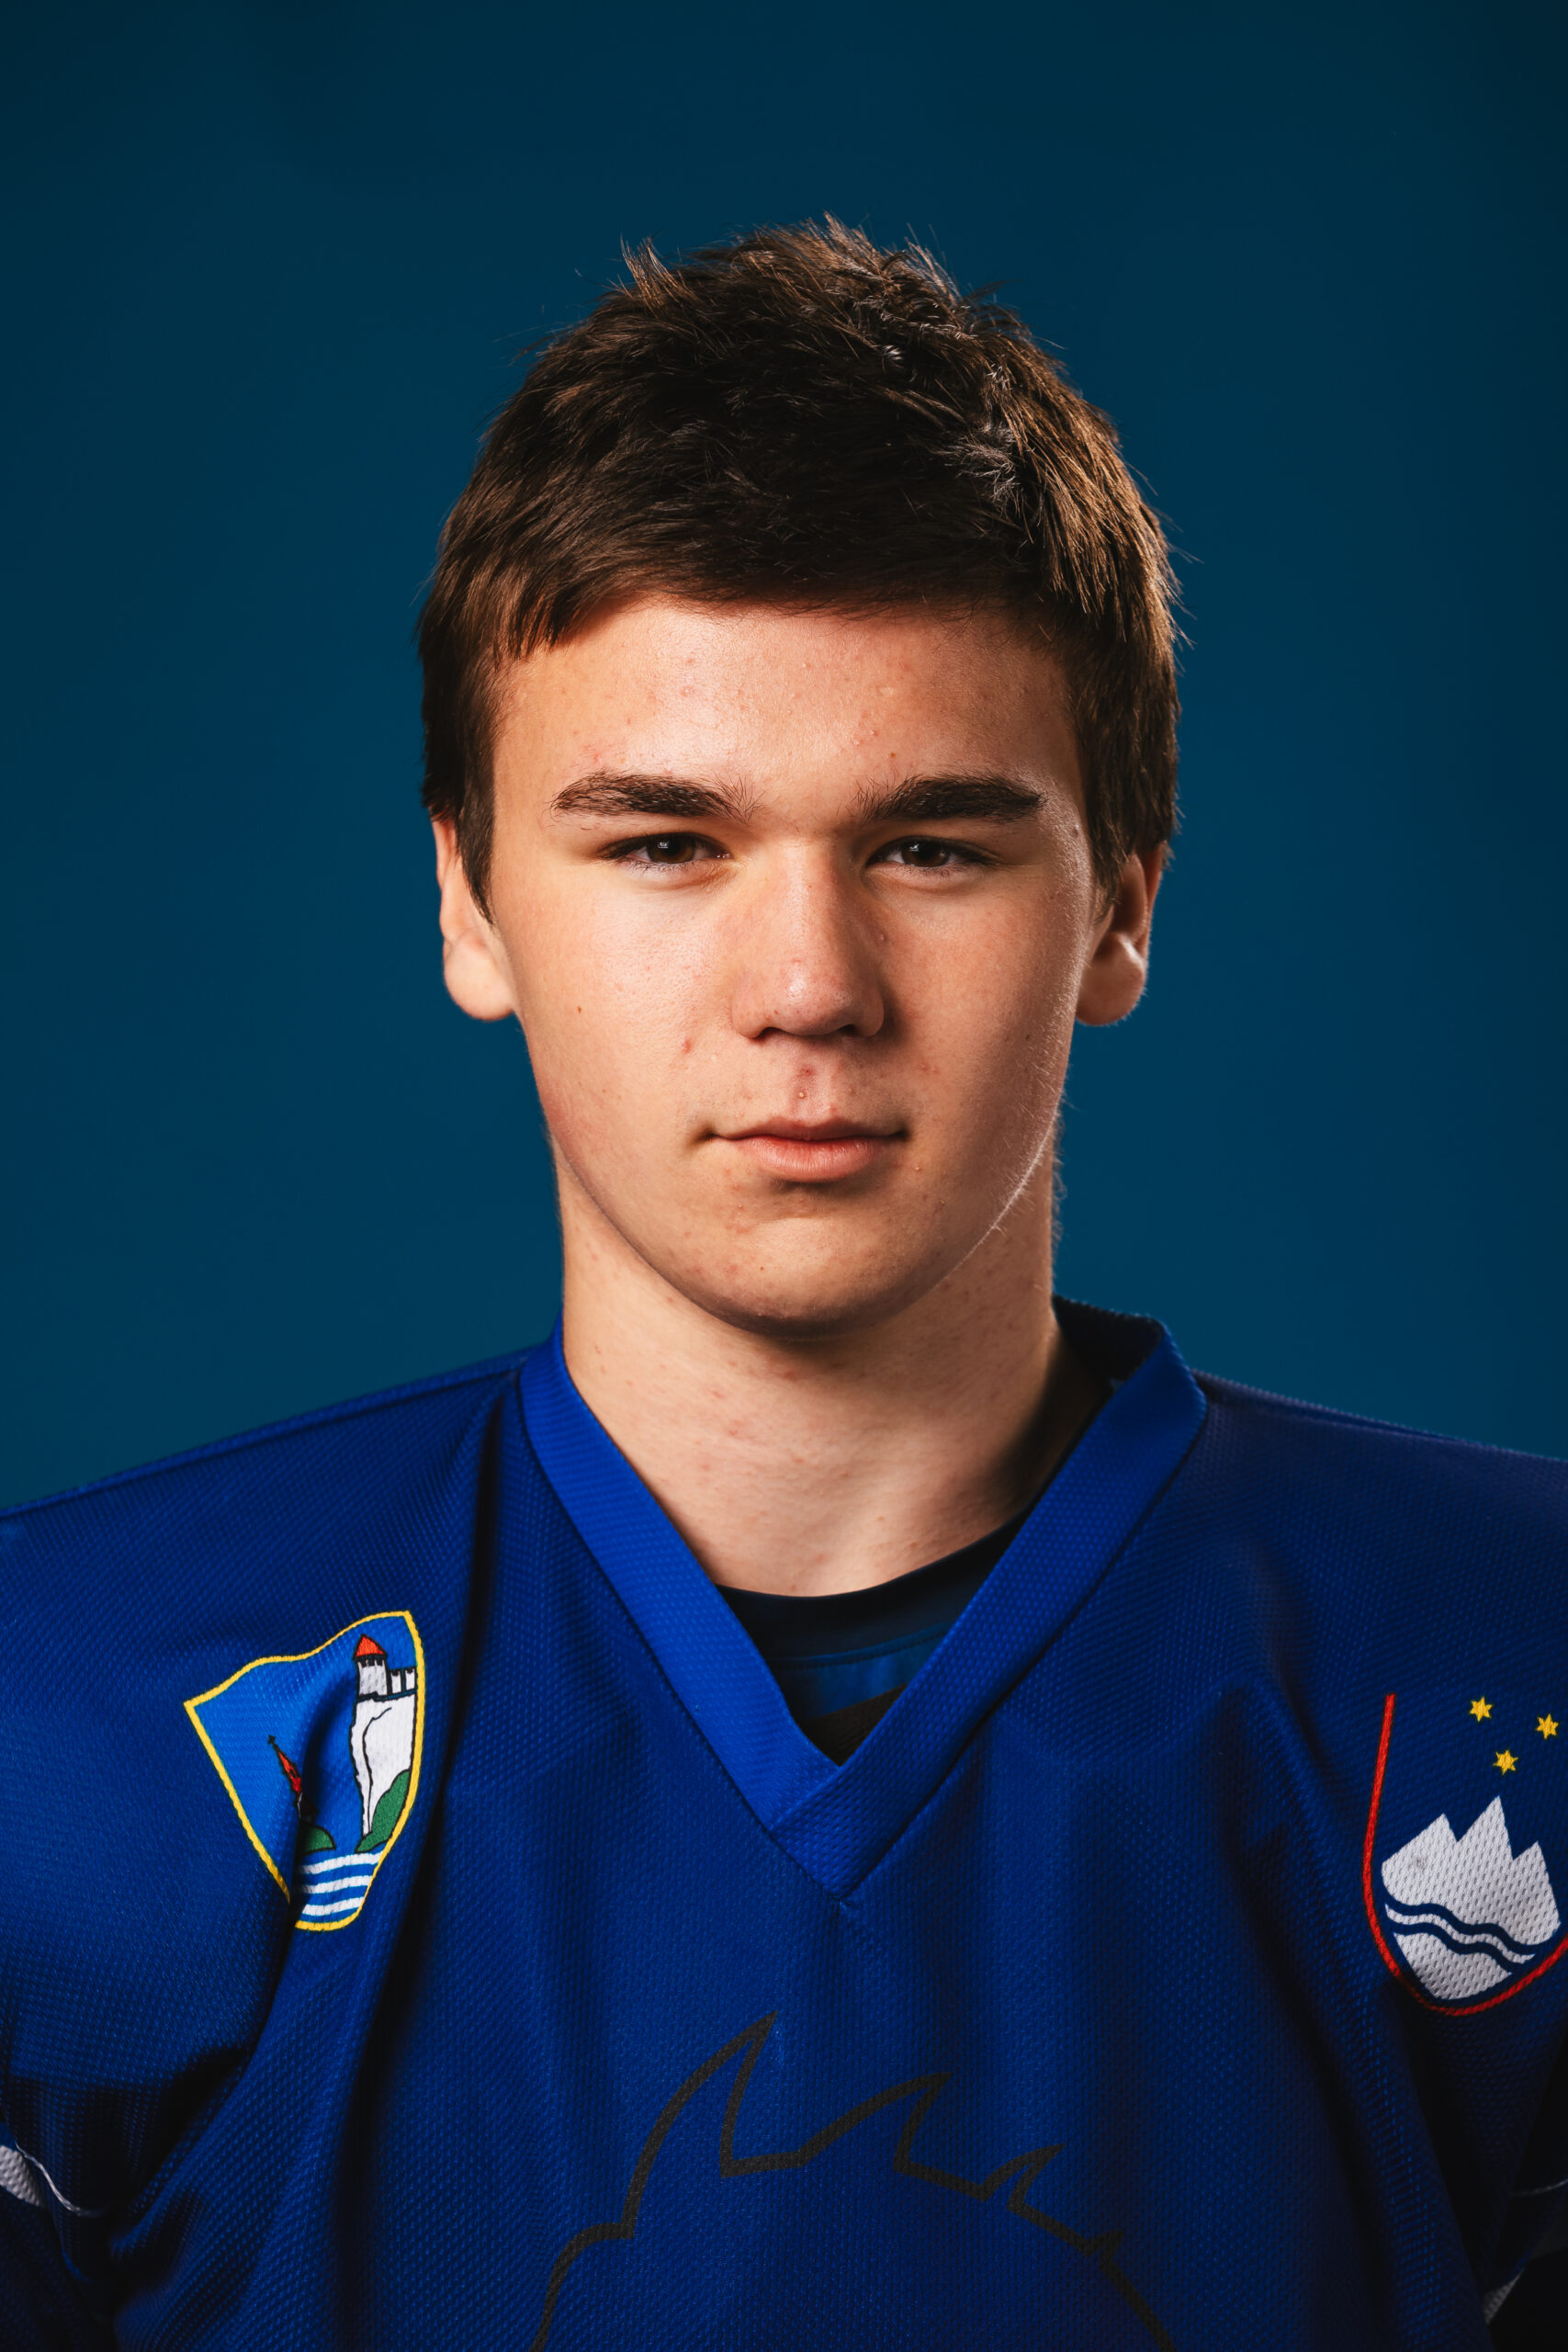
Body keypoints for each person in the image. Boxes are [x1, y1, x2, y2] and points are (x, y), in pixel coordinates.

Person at [1, 220, 1563, 2352]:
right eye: (664, 842)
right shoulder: (67, 1738)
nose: (807, 987)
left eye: (927, 844)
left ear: (1118, 904)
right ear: (470, 903)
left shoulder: (1503, 1670)